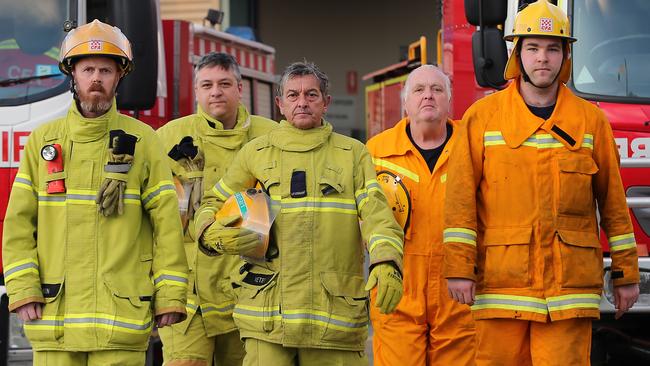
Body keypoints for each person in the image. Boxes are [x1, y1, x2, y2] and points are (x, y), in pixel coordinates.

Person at [443, 1, 640, 365]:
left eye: (552, 48)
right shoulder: (482, 119)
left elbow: (613, 203)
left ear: (566, 55)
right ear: (517, 54)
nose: (542, 58)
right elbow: (459, 201)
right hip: (502, 289)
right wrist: (458, 268)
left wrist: (626, 273)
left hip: (568, 295)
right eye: (532, 48)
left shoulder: (590, 121)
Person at [2, 20, 188, 366]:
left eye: (106, 70)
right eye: (88, 69)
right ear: (73, 74)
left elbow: (167, 227)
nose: (97, 79)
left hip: (120, 323)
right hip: (54, 322)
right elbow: (17, 226)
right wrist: (24, 289)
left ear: (120, 77)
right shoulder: (44, 141)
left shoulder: (144, 141)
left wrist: (171, 296)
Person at [194, 61, 404, 366]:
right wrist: (209, 232)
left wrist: (386, 261)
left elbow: (378, 215)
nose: (302, 102)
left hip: (333, 322)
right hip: (267, 319)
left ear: (326, 103)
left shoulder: (353, 154)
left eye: (311, 95)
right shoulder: (256, 153)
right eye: (292, 95)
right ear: (279, 104)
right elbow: (213, 201)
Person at [156, 52, 278, 366]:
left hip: (250, 288)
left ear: (240, 88)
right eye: (207, 84)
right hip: (188, 292)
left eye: (224, 84)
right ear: (196, 91)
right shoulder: (168, 137)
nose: (216, 92)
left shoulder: (271, 136)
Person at [366, 64, 476, 365]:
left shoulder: (472, 147)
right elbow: (359, 220)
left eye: (437, 89)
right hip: (397, 291)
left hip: (458, 290)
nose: (428, 96)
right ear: (405, 102)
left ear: (449, 100)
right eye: (419, 90)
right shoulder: (376, 153)